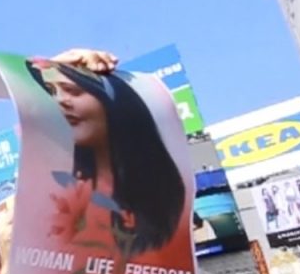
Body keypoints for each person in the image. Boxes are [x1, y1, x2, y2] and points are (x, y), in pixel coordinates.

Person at [27, 54, 186, 258]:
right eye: (51, 93)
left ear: (115, 106)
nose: (60, 102)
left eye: (73, 91)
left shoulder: (166, 198)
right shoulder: (54, 199)